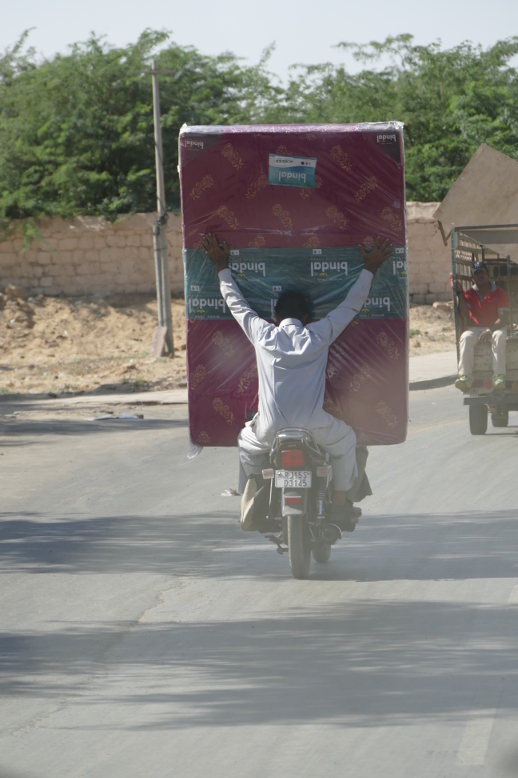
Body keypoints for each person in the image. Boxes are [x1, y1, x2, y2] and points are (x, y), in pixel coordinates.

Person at [201, 233, 394, 528]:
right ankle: (340, 504)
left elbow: (235, 303)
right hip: (313, 425)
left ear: (275, 316)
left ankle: (253, 500)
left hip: (270, 429)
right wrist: (370, 267)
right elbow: (351, 306)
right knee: (347, 441)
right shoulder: (318, 335)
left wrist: (220, 264)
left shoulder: (262, 334)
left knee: (246, 443)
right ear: (306, 316)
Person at [454, 262, 509, 392]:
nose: (480, 276)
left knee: (500, 336)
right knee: (465, 337)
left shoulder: (499, 292)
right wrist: (460, 293)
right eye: (476, 274)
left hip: (495, 327)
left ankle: (499, 376)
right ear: (473, 278)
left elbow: (503, 318)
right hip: (476, 328)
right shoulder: (469, 293)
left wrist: (490, 330)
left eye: (482, 273)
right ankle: (465, 377)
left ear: (488, 274)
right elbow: (463, 314)